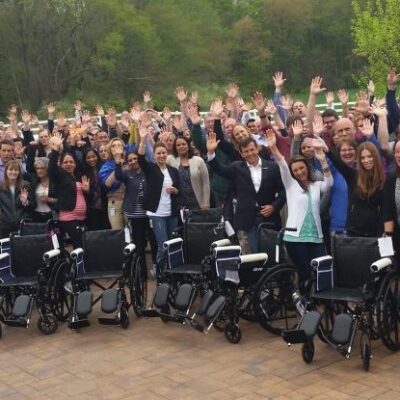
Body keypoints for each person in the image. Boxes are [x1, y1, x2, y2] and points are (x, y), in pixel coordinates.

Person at [266, 130, 333, 292]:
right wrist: (274, 148)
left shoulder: (316, 185)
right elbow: (282, 164)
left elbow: (329, 183)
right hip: (295, 238)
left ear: (306, 168)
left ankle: (319, 301)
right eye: (295, 170)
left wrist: (323, 161)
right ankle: (304, 304)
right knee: (304, 273)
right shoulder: (290, 185)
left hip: (316, 236)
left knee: (319, 269)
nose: (299, 172)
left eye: (301, 168)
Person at [207, 134, 285, 253]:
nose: (250, 153)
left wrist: (274, 206)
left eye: (252, 149)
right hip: (249, 220)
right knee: (256, 253)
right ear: (241, 153)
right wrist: (211, 153)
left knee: (272, 252)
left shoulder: (273, 167)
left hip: (270, 218)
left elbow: (283, 191)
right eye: (246, 151)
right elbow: (220, 169)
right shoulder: (236, 167)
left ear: (257, 148)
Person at [137, 127, 180, 268]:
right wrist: (143, 139)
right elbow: (141, 158)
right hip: (157, 213)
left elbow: (179, 190)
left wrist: (175, 190)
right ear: (154, 156)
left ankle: (173, 272)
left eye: (163, 153)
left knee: (173, 244)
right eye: (158, 153)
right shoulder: (150, 169)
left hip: (171, 212)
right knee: (163, 246)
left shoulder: (173, 170)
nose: (161, 155)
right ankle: (161, 273)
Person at [327, 140, 386, 237]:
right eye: (362, 158)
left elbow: (386, 211)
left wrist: (383, 235)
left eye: (369, 156)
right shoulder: (353, 176)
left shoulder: (384, 180)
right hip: (353, 233)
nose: (366, 160)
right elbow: (338, 163)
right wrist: (326, 150)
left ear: (375, 157)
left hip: (375, 235)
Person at [115, 151, 157, 271]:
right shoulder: (127, 174)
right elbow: (118, 176)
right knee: (139, 243)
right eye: (130, 160)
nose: (133, 161)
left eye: (135, 159)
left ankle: (155, 265)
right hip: (135, 214)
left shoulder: (147, 172)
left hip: (149, 213)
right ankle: (141, 270)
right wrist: (117, 163)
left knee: (153, 240)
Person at [48, 134, 90, 248]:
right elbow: (52, 169)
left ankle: (80, 265)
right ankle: (77, 266)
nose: (68, 164)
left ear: (75, 164)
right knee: (79, 244)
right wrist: (55, 150)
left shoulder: (78, 177)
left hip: (82, 217)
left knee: (82, 245)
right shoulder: (60, 176)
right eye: (65, 162)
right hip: (68, 217)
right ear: (61, 165)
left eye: (71, 162)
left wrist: (86, 190)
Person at [167, 135, 210, 210]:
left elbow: (205, 183)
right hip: (178, 204)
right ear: (175, 147)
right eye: (178, 145)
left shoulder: (198, 160)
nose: (181, 146)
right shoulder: (170, 159)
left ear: (188, 145)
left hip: (197, 203)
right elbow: (159, 159)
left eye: (183, 144)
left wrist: (206, 203)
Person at [0, 160, 33, 237]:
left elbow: (33, 206)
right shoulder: (1, 187)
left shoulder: (26, 185)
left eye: (16, 170)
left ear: (19, 172)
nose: (13, 172)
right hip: (5, 226)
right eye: (10, 170)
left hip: (23, 224)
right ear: (6, 172)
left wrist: (25, 202)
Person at [99, 138, 126, 230]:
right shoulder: (106, 166)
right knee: (117, 231)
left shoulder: (129, 162)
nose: (117, 147)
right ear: (110, 150)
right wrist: (118, 164)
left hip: (130, 202)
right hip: (114, 203)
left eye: (119, 145)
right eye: (114, 146)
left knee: (133, 231)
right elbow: (106, 184)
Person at [82, 148, 110, 230]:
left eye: (93, 156)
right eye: (88, 157)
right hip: (92, 209)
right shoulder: (84, 173)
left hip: (106, 206)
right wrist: (87, 190)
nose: (91, 159)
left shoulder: (104, 168)